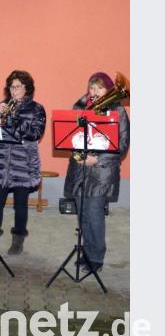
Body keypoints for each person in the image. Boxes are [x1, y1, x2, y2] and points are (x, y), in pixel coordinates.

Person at [63, 72, 129, 272]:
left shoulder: (117, 111)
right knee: (82, 213)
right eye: (92, 88)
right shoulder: (80, 108)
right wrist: (78, 154)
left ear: (108, 90)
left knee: (94, 214)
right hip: (80, 169)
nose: (95, 92)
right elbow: (70, 136)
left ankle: (97, 259)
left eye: (99, 88)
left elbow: (122, 145)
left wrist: (97, 159)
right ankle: (87, 253)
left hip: (101, 172)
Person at [0, 70, 46, 254]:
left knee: (20, 205)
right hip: (1, 162)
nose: (13, 90)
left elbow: (36, 133)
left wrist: (15, 117)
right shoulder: (1, 105)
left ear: (27, 88)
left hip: (23, 164)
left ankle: (18, 240)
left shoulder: (37, 109)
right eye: (11, 87)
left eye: (18, 86)